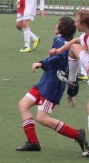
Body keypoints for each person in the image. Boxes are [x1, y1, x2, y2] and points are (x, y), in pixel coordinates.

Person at [15, 17, 89, 155]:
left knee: (42, 118)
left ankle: (77, 134)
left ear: (62, 28)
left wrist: (42, 63)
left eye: (58, 24)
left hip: (52, 87)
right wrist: (72, 93)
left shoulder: (61, 41)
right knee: (23, 104)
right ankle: (33, 142)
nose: (55, 25)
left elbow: (59, 60)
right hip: (44, 83)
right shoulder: (61, 41)